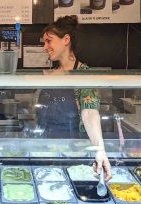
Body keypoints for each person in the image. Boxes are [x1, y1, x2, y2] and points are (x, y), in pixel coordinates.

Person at [37, 15, 112, 181]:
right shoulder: (50, 73)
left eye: (49, 41)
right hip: (47, 145)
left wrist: (100, 149)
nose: (45, 47)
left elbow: (89, 112)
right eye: (44, 42)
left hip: (75, 149)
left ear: (66, 40)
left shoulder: (83, 73)